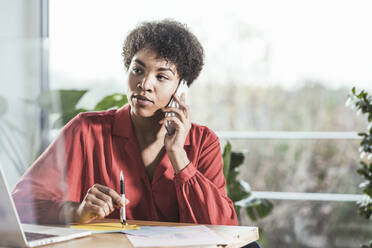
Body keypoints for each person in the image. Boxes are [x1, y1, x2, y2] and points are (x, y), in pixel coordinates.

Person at [12, 19, 238, 226]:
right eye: (137, 70)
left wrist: (179, 156)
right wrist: (76, 211)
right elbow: (19, 205)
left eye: (161, 76)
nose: (144, 84)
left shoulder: (203, 142)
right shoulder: (86, 131)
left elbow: (224, 227)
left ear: (181, 88)